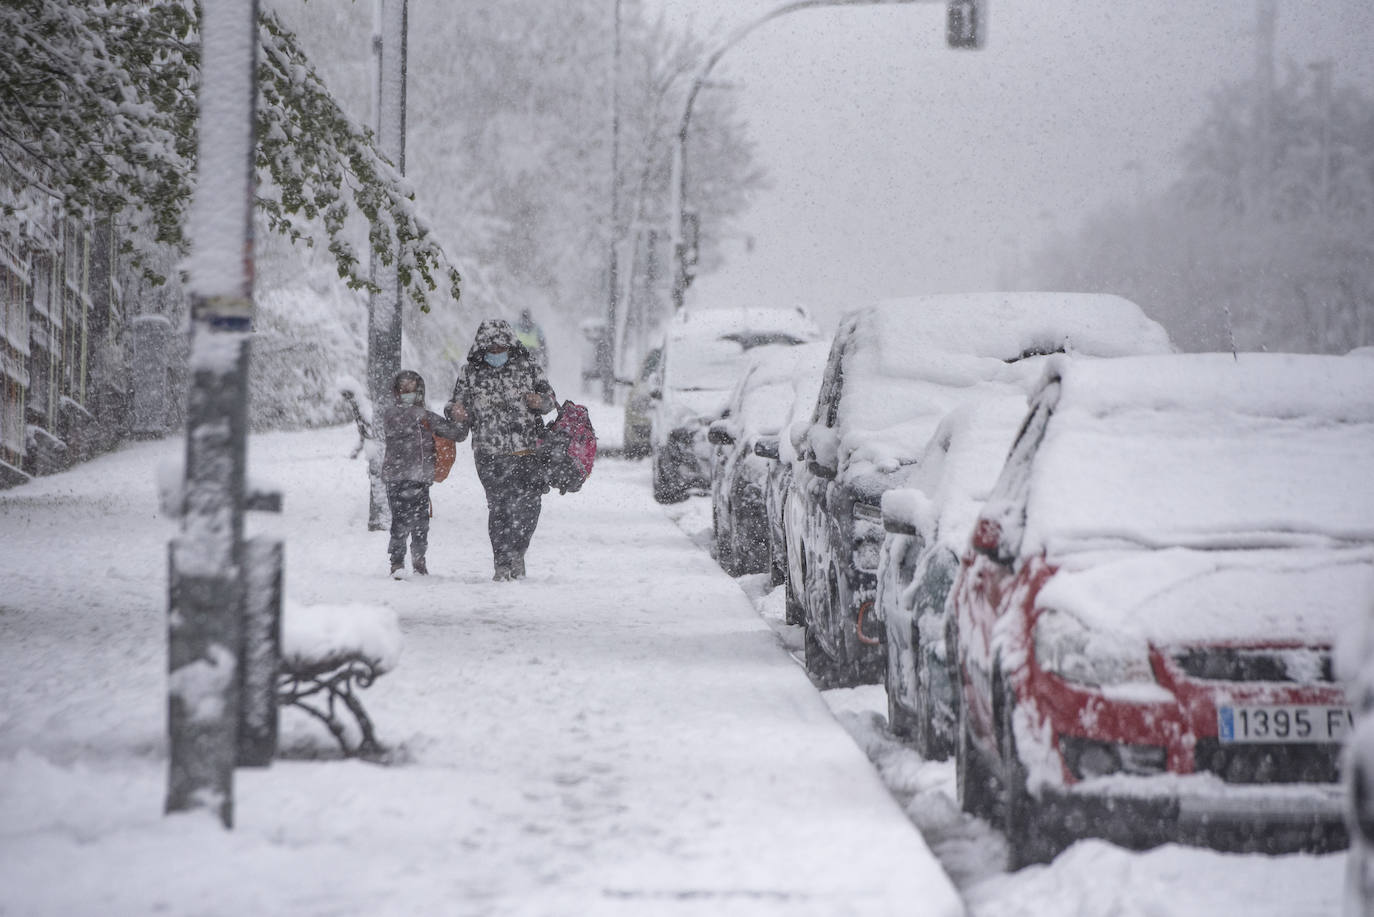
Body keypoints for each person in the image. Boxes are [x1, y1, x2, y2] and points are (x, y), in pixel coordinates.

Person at [446, 318, 556, 581]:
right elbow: (454, 405)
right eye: (491, 349)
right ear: (482, 348)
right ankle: (502, 562)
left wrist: (539, 401)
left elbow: (551, 399)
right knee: (500, 507)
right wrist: (456, 412)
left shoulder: (528, 367)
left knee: (529, 506)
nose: (496, 353)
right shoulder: (470, 373)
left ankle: (519, 551)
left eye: (501, 347)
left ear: (510, 345)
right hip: (488, 452)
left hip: (527, 451)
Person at [381, 370, 466, 578]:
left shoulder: (423, 417)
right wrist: (459, 420)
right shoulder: (402, 415)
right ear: (397, 392)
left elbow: (457, 433)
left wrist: (459, 420)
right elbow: (456, 433)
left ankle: (415, 560)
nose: (409, 393)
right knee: (403, 522)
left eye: (413, 389)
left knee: (419, 523)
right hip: (400, 478)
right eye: (404, 389)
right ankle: (400, 561)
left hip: (417, 478)